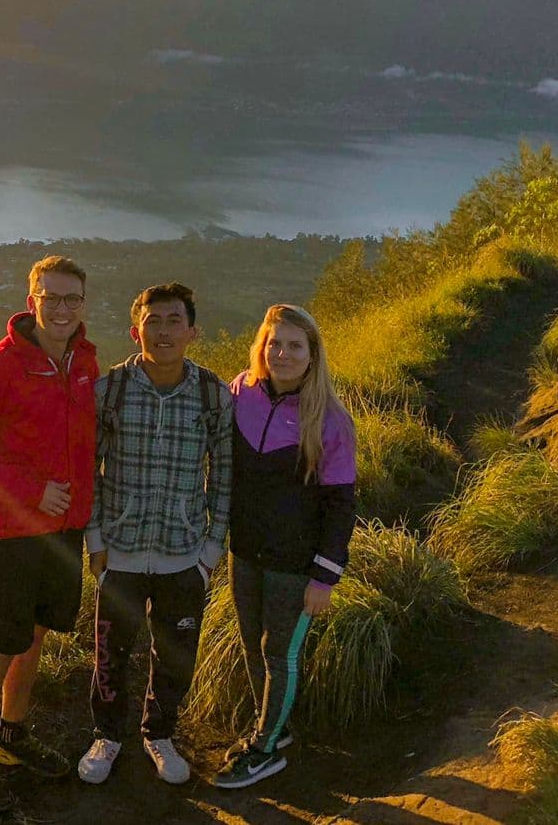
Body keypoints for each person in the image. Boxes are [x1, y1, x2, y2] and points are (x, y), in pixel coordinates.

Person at [0, 255, 99, 813]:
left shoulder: (84, 361)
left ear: (82, 303)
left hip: (65, 529)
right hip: (12, 531)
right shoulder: (2, 365)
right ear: (31, 299)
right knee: (0, 642)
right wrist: (32, 492)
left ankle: (12, 734)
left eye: (71, 298)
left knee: (34, 634)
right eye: (50, 297)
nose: (61, 308)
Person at [79, 283, 233, 786]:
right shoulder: (110, 391)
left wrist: (211, 550)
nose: (163, 331)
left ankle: (159, 733)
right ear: (135, 330)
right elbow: (88, 469)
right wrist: (96, 540)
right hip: (119, 552)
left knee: (175, 656)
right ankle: (107, 736)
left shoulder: (212, 394)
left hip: (183, 553)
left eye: (174, 321)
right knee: (109, 654)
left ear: (192, 331)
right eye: (153, 321)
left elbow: (224, 474)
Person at [214, 304, 357, 790]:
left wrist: (325, 577)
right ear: (261, 346)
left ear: (313, 354)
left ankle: (265, 750)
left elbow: (341, 504)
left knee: (280, 655)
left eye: (295, 345)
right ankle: (275, 726)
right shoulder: (241, 392)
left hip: (296, 563)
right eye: (274, 342)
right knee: (253, 646)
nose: (283, 353)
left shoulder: (330, 420)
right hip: (245, 552)